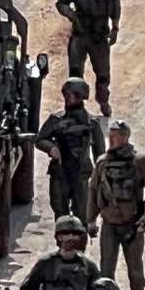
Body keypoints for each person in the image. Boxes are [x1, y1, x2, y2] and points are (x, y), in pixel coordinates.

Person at [87, 119, 145, 290]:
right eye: (111, 134)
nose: (113, 139)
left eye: (117, 135)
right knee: (106, 270)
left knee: (135, 269)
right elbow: (94, 191)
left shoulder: (140, 161)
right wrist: (91, 220)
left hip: (132, 223)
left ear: (126, 136)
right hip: (109, 224)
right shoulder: (102, 162)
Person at [56, 0, 122, 117]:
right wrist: (72, 15)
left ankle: (103, 102)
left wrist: (115, 27)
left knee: (102, 73)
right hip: (80, 34)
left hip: (99, 34)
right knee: (76, 73)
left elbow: (115, 4)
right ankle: (75, 106)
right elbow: (61, 3)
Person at [37, 77, 106, 221]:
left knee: (82, 214)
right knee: (60, 214)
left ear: (81, 97)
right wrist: (51, 148)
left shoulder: (92, 123)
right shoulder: (56, 119)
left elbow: (100, 154)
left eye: (71, 95)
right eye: (66, 94)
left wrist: (100, 178)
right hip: (60, 172)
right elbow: (40, 139)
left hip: (81, 174)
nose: (67, 98)